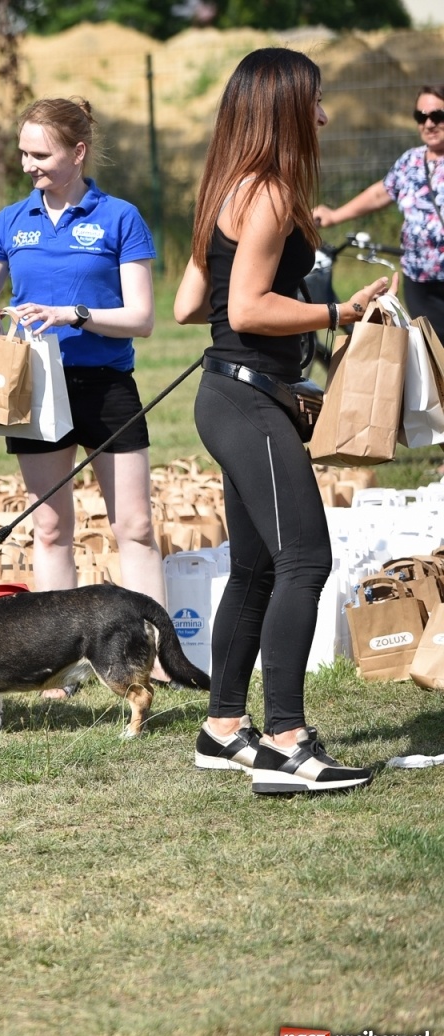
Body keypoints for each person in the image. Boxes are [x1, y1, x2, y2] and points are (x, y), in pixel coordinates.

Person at [174, 48, 388, 795]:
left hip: (233, 394)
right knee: (305, 559)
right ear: (286, 107)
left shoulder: (227, 185)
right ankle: (290, 743)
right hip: (246, 399)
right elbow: (243, 308)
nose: (324, 114)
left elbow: (187, 305)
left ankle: (223, 727)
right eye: (316, 100)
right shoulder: (264, 191)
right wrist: (338, 310)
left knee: (260, 566)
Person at [0, 98, 167, 691]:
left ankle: (150, 657)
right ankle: (58, 664)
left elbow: (142, 317)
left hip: (105, 388)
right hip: (35, 388)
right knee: (50, 529)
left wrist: (74, 314)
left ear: (77, 153)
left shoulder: (120, 217)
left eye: (40, 154)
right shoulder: (11, 222)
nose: (28, 165)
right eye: (23, 152)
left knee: (136, 526)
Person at [313, 83, 444, 326]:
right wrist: (334, 216)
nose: (428, 124)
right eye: (421, 116)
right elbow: (379, 194)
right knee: (432, 355)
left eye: (437, 116)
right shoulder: (410, 161)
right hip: (420, 282)